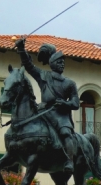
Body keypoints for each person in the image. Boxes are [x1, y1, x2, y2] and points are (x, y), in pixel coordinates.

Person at [15, 38, 80, 173]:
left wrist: (65, 103)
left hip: (61, 114)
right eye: (59, 62)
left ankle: (69, 161)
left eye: (63, 62)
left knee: (65, 133)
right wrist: (21, 49)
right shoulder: (43, 76)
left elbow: (76, 103)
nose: (62, 64)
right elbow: (28, 65)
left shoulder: (70, 83)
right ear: (52, 64)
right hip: (43, 111)